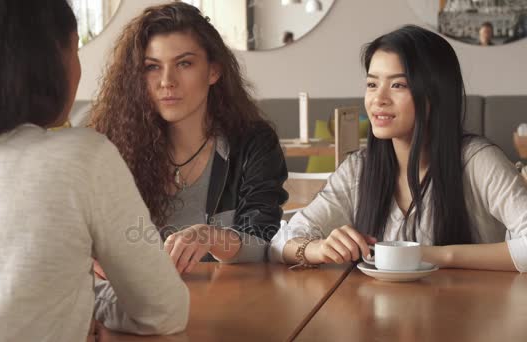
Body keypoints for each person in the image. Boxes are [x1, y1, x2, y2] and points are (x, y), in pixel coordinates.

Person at [0, 1, 188, 341]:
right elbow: (164, 310)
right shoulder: (81, 157)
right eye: (74, 51)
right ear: (47, 64)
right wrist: (85, 297)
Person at [269, 25, 527, 272]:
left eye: (398, 85)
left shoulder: (477, 161)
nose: (378, 99)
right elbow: (281, 241)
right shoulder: (359, 168)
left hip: (471, 311)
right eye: (372, 84)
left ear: (435, 93)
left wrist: (435, 254)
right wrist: (320, 248)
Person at [91, 2, 288, 274]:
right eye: (152, 67)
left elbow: (264, 241)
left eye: (184, 63)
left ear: (213, 71)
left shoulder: (253, 143)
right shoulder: (112, 144)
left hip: (231, 305)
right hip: (133, 307)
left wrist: (211, 237)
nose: (167, 81)